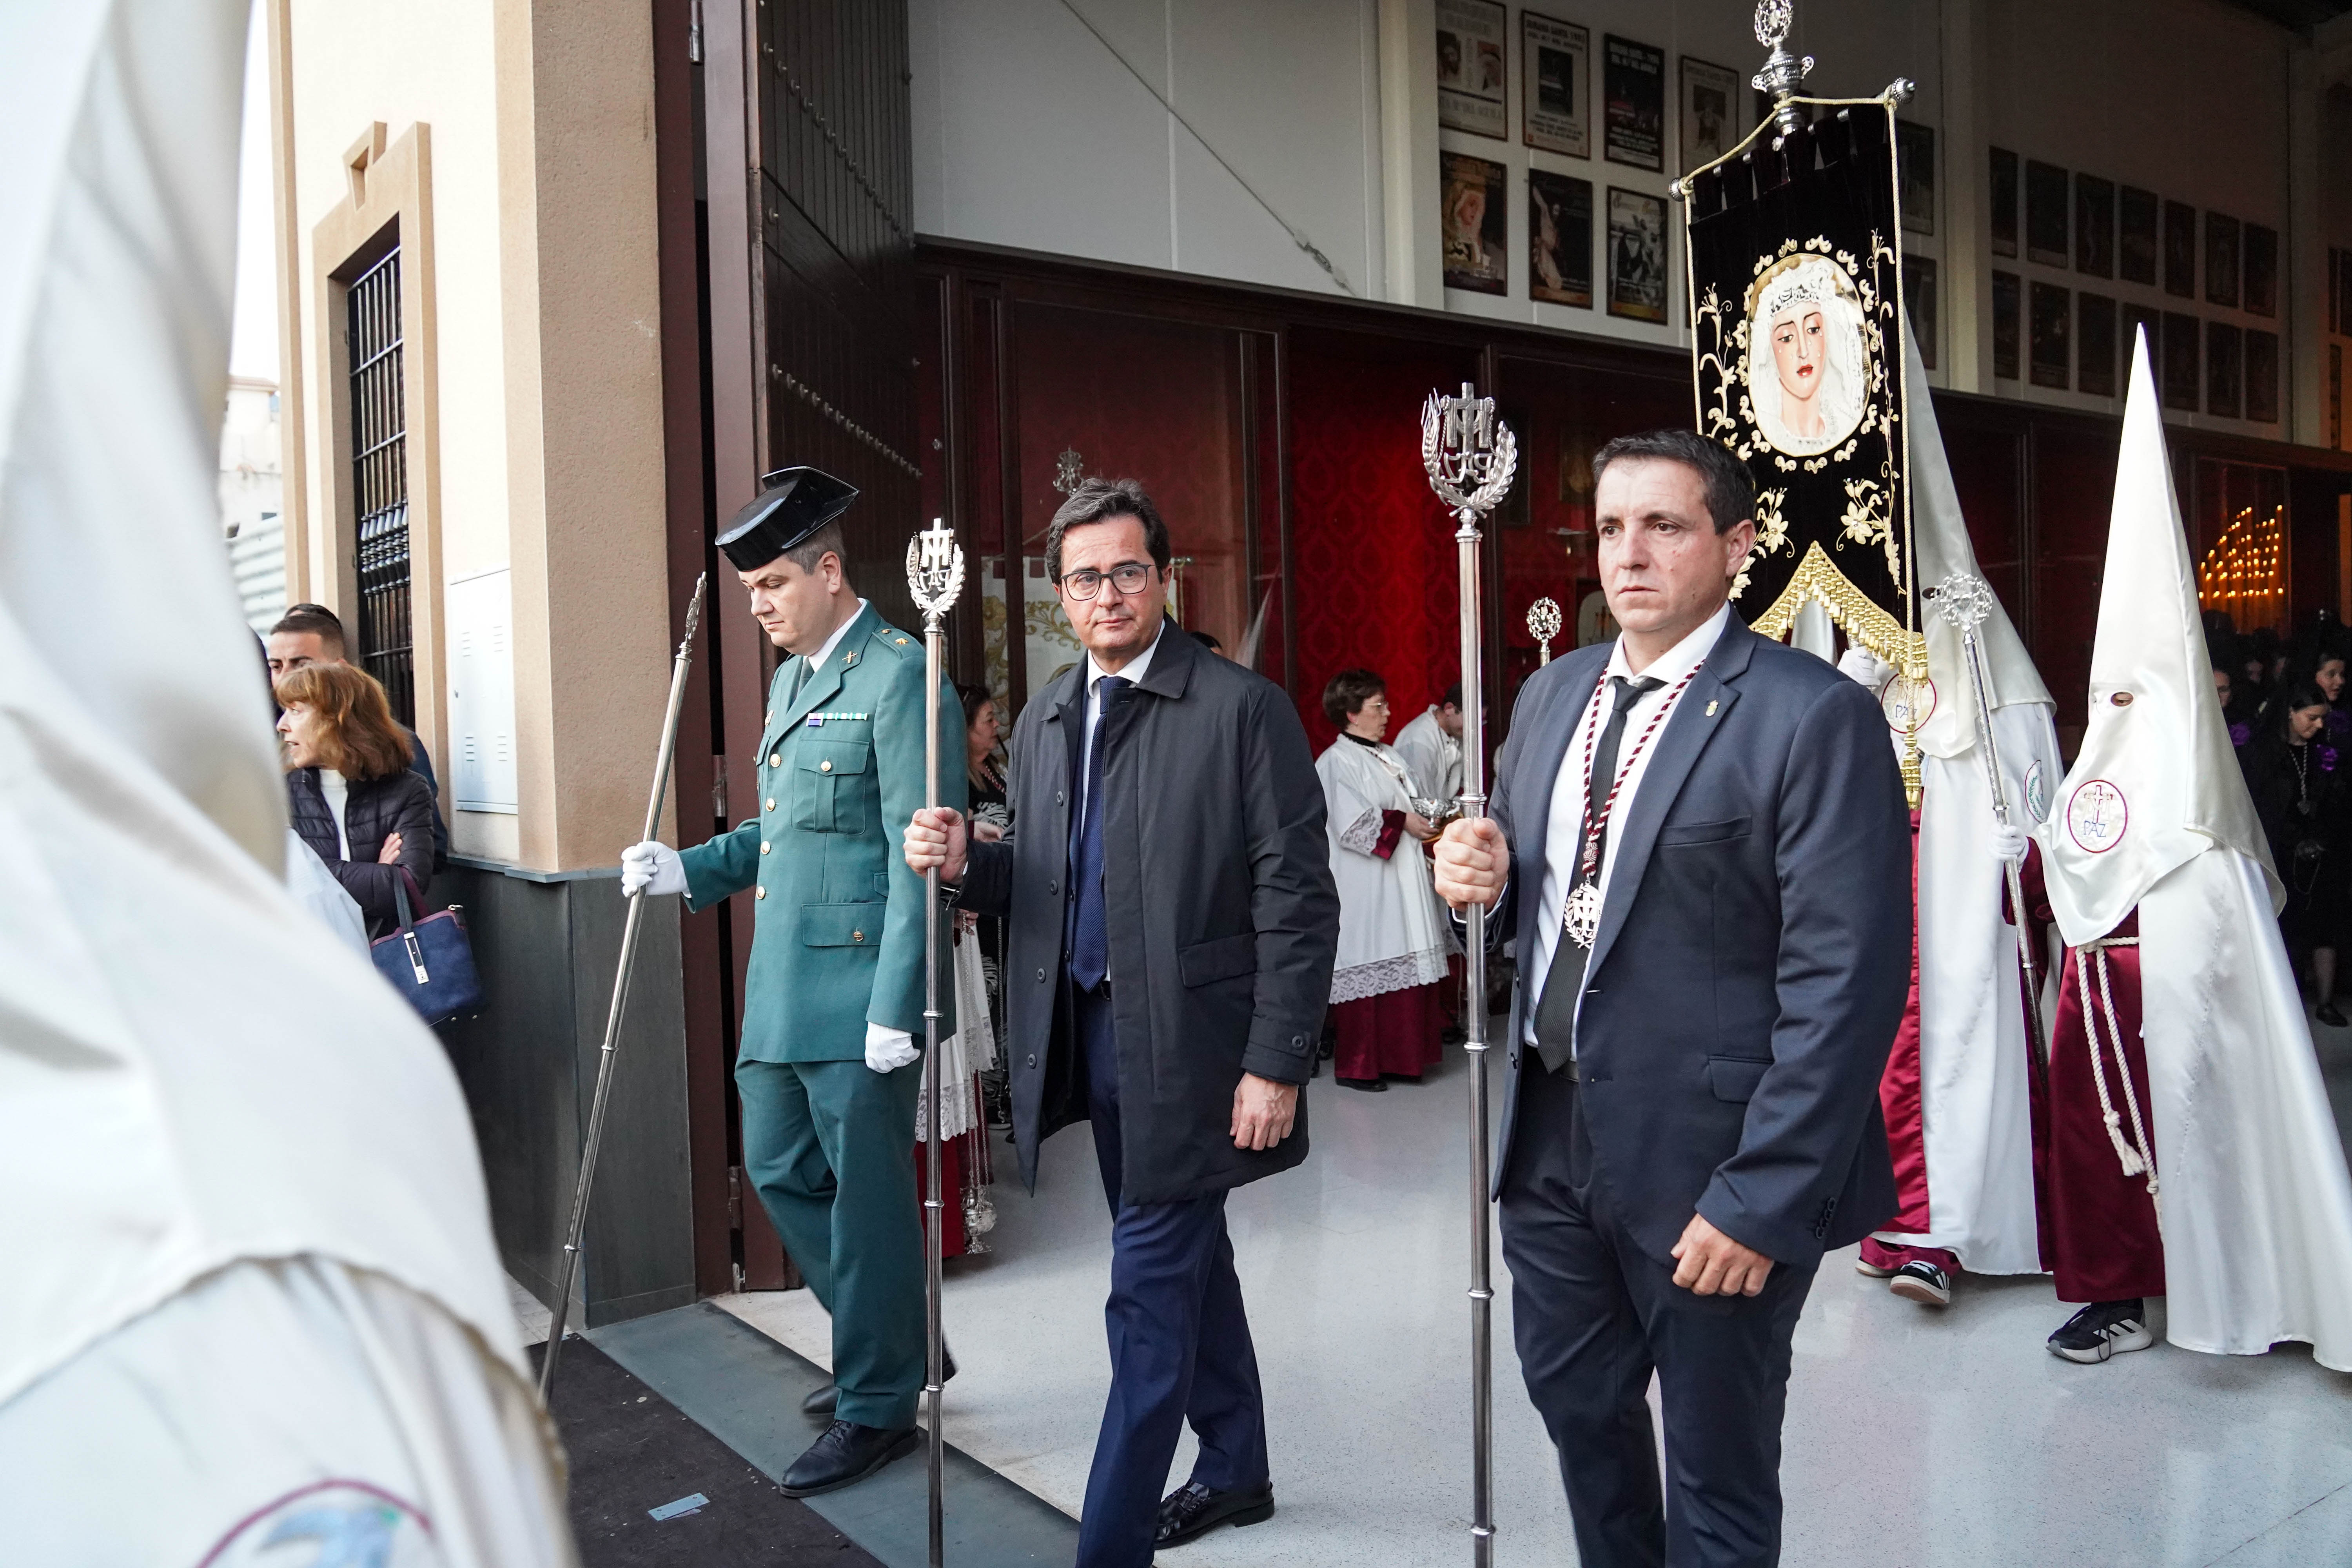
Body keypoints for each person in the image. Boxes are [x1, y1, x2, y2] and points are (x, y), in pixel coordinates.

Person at [1432, 428, 1911, 1568]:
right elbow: (1539, 907)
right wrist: (1470, 880)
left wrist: (1762, 1195)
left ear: (1733, 543)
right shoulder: (1549, 697)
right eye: (1607, 527)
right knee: (1580, 1420)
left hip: (1715, 1162)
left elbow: (1844, 981)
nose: (1627, 553)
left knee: (1716, 1472)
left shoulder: (1807, 715)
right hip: (1549, 1140)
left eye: (1663, 524)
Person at [903, 478, 1337, 1565]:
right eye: (1086, 577)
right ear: (1060, 595)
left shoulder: (1239, 709)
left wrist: (1275, 1061)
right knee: (1194, 1263)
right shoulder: (1052, 713)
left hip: (1194, 1053)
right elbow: (1048, 881)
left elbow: (1297, 897)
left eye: (1129, 571)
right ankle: (1235, 1466)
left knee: (1145, 1298)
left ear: (1165, 579)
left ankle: (1109, 1548)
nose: (1109, 594)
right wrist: (972, 869)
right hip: (1085, 1038)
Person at [1990, 345, 2352, 1370]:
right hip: (2094, 1002)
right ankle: (2115, 1293)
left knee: (2212, 1137)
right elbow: (2052, 865)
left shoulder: (2208, 816)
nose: (2122, 715)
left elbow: (2236, 941)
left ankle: (2247, 1282)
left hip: (2174, 1001)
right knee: (2100, 1150)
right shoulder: (2092, 774)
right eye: (2113, 696)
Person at [620, 467, 964, 1496]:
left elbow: (919, 850)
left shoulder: (900, 674)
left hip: (861, 992)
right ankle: (898, 1341)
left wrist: (898, 1005)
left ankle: (876, 1403)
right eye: (750, 590)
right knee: (777, 1171)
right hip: (782, 987)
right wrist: (695, 867)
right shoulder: (795, 678)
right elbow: (790, 828)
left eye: (774, 583)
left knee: (864, 1207)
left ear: (828, 569)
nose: (761, 605)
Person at [1314, 670, 1447, 1091]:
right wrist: (1403, 820)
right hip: (1367, 886)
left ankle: (1405, 1059)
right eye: (1378, 707)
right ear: (1352, 714)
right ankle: (1360, 1064)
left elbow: (1413, 799)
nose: (1388, 713)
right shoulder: (1336, 762)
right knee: (1370, 959)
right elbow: (1351, 826)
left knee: (1407, 956)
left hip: (1401, 879)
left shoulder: (1388, 754)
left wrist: (1428, 816)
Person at [267, 602, 450, 868]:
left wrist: (319, 873)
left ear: (339, 669)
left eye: (302, 665)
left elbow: (427, 854)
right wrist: (372, 872)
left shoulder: (391, 744)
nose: (285, 677)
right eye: (276, 666)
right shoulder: (270, 747)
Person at [275, 661, 439, 940]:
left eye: (296, 711)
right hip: (307, 956)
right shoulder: (281, 793)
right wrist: (377, 873)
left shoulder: (407, 790)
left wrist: (310, 869)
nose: (282, 725)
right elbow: (274, 881)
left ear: (338, 718)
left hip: (384, 960)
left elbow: (406, 887)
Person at [2242, 681, 2348, 1026]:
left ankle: (2326, 1001)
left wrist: (2319, 838)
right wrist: (2293, 839)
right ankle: (2284, 1007)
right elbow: (2263, 808)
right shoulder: (2265, 753)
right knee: (2283, 927)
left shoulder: (2325, 753)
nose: (2319, 725)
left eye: (2322, 719)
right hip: (2280, 855)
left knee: (2324, 926)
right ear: (2290, 713)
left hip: (2322, 855)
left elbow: (2337, 807)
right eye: (2312, 718)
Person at [1393, 679, 1466, 808]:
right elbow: (1421, 800)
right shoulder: (1419, 740)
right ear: (1449, 709)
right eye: (1468, 720)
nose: (1472, 728)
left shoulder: (1456, 734)